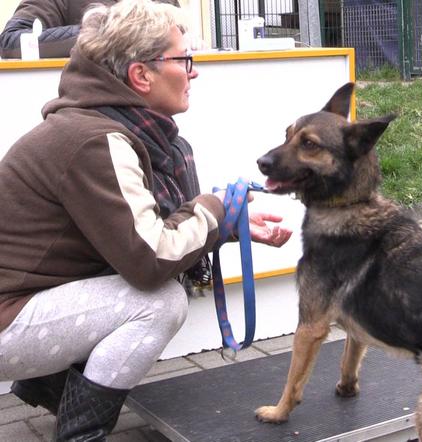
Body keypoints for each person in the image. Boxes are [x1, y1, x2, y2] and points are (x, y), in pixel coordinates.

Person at [0, 0, 292, 440]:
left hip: (23, 302)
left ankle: (50, 386)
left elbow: (133, 236)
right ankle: (80, 432)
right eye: (184, 59)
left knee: (145, 286)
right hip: (8, 319)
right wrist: (214, 208)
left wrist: (228, 225)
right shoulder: (96, 143)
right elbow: (150, 257)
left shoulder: (95, 126)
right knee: (158, 301)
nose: (193, 71)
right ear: (141, 75)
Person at [0, 0, 180, 59]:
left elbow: (178, 37)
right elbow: (11, 42)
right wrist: (100, 33)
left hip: (154, 110)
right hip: (87, 109)